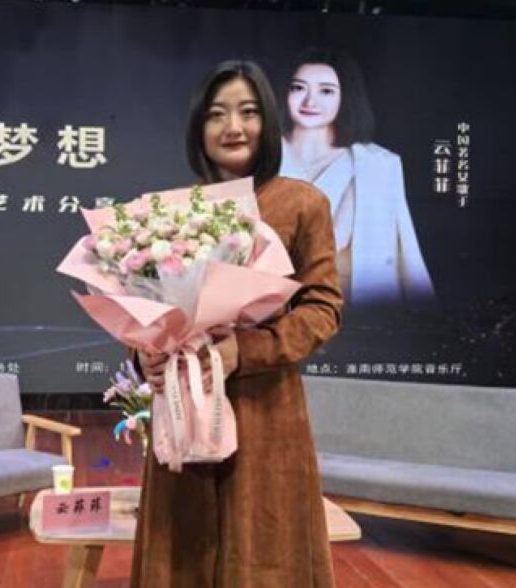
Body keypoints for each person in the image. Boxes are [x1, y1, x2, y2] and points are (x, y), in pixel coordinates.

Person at [130, 60, 342, 588]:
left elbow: (322, 309)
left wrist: (241, 352)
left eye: (248, 112)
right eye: (217, 114)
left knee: (264, 553)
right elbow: (148, 308)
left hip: (266, 414)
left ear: (267, 121)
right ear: (198, 128)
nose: (233, 127)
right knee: (182, 554)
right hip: (184, 411)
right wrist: (145, 355)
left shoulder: (302, 203)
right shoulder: (173, 213)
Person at [280, 48, 434, 305]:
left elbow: (406, 253)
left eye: (326, 91)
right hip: (270, 312)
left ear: (346, 97)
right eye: (298, 88)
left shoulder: (378, 164)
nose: (310, 102)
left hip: (355, 313)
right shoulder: (256, 156)